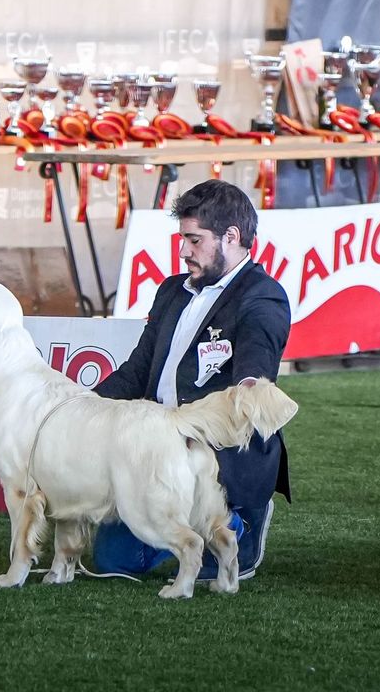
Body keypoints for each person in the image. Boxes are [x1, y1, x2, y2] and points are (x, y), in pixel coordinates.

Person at [90, 179, 293, 581]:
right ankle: (182, 525)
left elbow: (256, 359)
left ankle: (240, 522)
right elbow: (137, 371)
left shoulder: (263, 296)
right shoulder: (171, 291)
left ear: (231, 237)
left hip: (213, 453)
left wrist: (252, 382)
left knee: (197, 552)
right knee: (113, 563)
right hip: (156, 449)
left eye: (194, 240)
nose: (183, 251)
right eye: (182, 239)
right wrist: (80, 406)